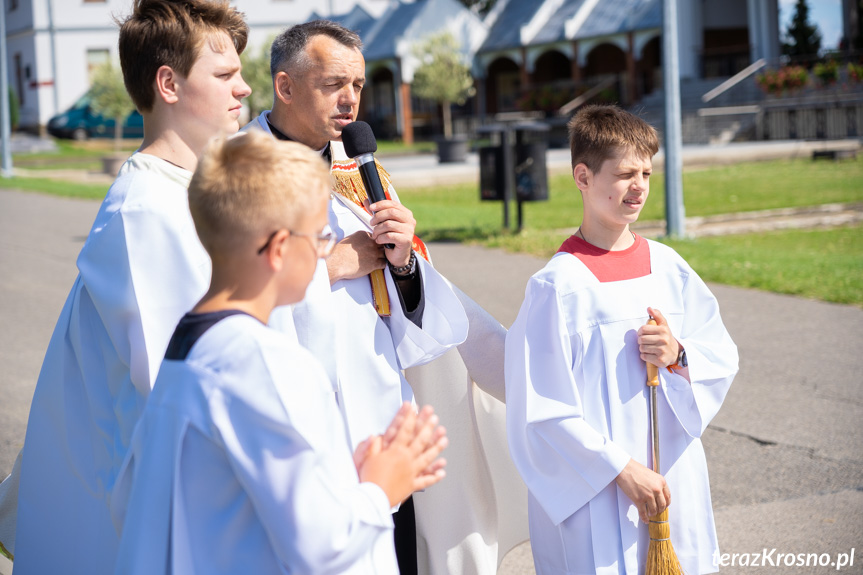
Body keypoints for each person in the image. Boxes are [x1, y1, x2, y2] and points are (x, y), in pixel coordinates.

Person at [110, 131, 450, 575]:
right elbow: (321, 545)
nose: (325, 250)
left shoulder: (190, 345)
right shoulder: (266, 362)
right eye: (320, 238)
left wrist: (342, 478)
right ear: (278, 250)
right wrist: (382, 486)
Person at [13, 1, 251, 572]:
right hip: (141, 530)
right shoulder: (145, 213)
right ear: (168, 83)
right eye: (224, 75)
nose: (244, 88)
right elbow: (184, 391)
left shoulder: (187, 194)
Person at [242, 20, 474, 574]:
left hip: (377, 415)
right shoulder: (236, 170)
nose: (350, 101)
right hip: (294, 426)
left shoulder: (360, 171)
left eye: (359, 85)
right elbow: (222, 295)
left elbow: (411, 313)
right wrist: (329, 266)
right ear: (285, 85)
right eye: (333, 84)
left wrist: (404, 261)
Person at [505, 105, 739, 575]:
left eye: (647, 174)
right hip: (601, 489)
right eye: (624, 174)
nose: (639, 187)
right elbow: (540, 410)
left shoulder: (668, 266)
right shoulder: (558, 287)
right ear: (582, 177)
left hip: (673, 476)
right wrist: (621, 469)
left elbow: (720, 352)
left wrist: (679, 354)